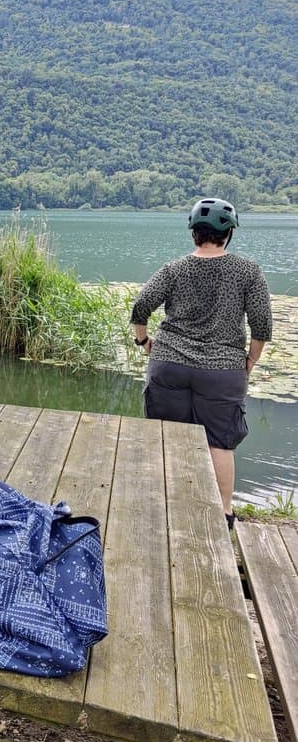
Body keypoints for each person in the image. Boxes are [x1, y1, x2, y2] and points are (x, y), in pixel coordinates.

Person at [130, 196, 272, 529]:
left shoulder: (173, 269)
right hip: (223, 370)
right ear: (229, 234)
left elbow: (140, 308)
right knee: (220, 443)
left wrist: (144, 341)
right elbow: (262, 324)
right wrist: (249, 360)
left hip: (169, 364)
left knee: (166, 436)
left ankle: (165, 504)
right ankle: (223, 513)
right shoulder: (248, 271)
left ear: (194, 233)